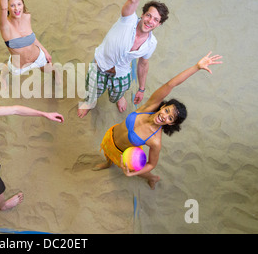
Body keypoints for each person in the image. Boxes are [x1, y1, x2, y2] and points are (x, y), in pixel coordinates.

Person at [93, 52, 222, 190]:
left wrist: (132, 174)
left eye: (170, 118)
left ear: (171, 123)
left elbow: (151, 164)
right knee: (107, 152)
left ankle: (153, 178)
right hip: (110, 137)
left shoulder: (155, 141)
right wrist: (196, 67)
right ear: (163, 106)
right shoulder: (148, 107)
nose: (165, 116)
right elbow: (171, 84)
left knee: (141, 170)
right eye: (167, 111)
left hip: (123, 154)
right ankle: (107, 164)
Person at [78, 0, 183, 118]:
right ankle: (89, 102)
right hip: (99, 66)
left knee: (116, 94)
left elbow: (143, 64)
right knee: (92, 91)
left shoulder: (151, 44)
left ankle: (118, 97)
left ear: (159, 24)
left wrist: (141, 88)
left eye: (156, 19)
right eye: (148, 15)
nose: (150, 21)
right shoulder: (127, 20)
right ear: (142, 14)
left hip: (122, 74)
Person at [0, 0, 59, 79]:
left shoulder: (27, 16)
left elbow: (31, 37)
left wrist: (45, 51)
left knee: (50, 70)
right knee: (9, 68)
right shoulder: (4, 25)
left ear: (23, 5)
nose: (17, 8)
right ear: (8, 8)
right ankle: (5, 68)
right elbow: (2, 7)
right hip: (19, 67)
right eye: (12, 5)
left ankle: (57, 75)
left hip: (37, 57)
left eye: (19, 4)